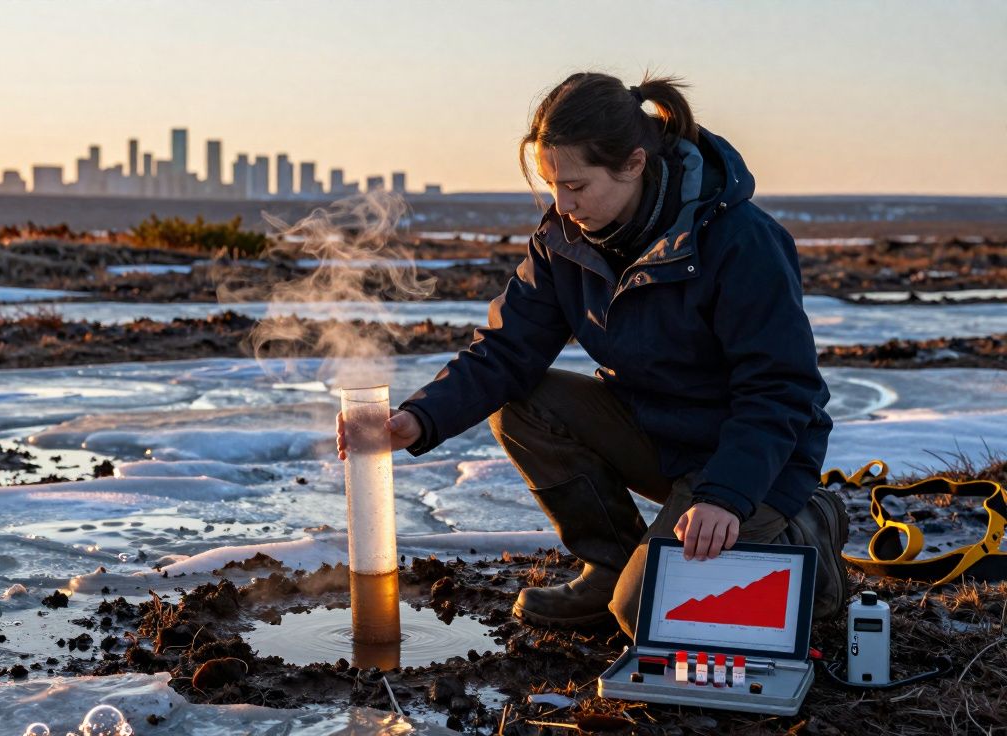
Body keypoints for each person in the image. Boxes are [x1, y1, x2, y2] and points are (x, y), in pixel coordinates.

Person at [336, 71, 848, 637]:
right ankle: (611, 565)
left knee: (643, 613)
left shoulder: (740, 240)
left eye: (576, 185)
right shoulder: (564, 240)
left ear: (633, 164)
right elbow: (506, 351)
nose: (562, 203)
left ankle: (809, 529)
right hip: (657, 434)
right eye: (552, 184)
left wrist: (727, 496)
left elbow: (781, 388)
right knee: (522, 402)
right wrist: (418, 417)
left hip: (755, 457)